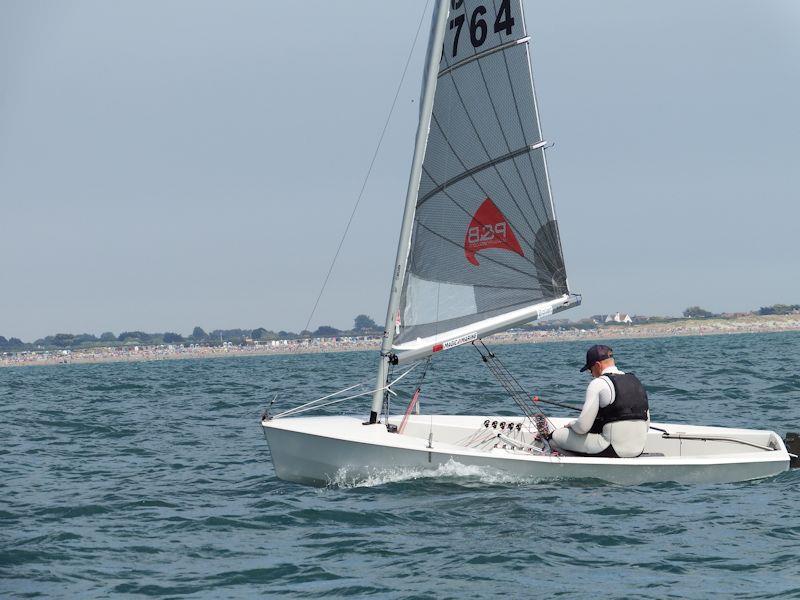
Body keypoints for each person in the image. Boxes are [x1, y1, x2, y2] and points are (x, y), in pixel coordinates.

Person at [550, 345, 650, 458]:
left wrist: (572, 424)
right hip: (638, 449)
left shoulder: (598, 383)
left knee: (555, 436)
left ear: (597, 365)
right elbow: (646, 425)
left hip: (612, 449)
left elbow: (582, 428)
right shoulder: (636, 381)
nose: (591, 374)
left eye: (590, 369)